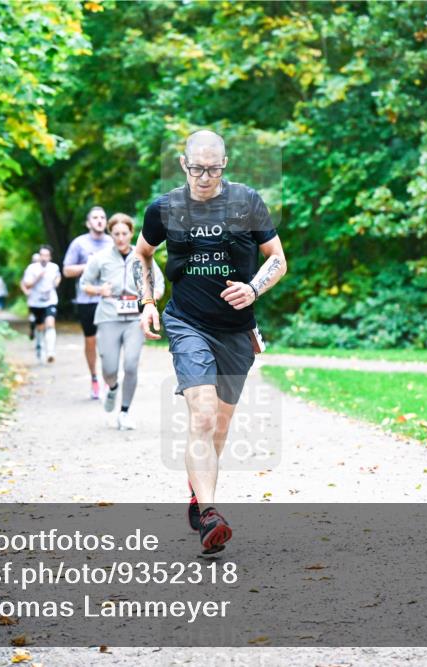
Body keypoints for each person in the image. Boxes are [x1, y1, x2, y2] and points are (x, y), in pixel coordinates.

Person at [134, 130, 286, 555]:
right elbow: (142, 254)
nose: (204, 176)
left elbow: (277, 258)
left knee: (219, 426)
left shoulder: (247, 202)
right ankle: (210, 515)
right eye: (197, 168)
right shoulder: (164, 208)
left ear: (225, 164)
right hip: (187, 323)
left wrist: (254, 289)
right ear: (184, 164)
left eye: (213, 168)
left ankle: (198, 496)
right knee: (201, 416)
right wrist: (147, 301)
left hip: (237, 331)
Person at [79, 213, 165, 431]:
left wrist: (150, 297)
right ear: (111, 234)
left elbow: (160, 284)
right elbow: (84, 284)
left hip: (135, 319)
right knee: (108, 367)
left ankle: (124, 412)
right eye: (116, 234)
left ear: (131, 233)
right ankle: (113, 387)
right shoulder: (100, 257)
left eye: (124, 233)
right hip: (109, 316)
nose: (120, 238)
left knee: (131, 365)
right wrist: (99, 290)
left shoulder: (143, 256)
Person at [63, 206, 113, 399]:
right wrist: (89, 265)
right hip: (87, 299)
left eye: (102, 217)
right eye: (95, 217)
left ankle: (110, 379)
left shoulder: (112, 241)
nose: (99, 220)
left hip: (110, 298)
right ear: (88, 223)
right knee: (91, 341)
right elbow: (67, 271)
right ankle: (94, 378)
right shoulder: (79, 244)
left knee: (110, 340)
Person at [22, 245, 61, 363]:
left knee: (50, 324)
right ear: (39, 256)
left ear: (50, 257)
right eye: (42, 255)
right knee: (39, 327)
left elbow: (58, 277)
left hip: (50, 301)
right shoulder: (31, 268)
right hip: (35, 302)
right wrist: (37, 278)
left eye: (46, 255)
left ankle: (50, 352)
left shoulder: (54, 267)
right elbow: (27, 285)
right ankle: (40, 348)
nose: (44, 258)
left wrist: (56, 283)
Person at [19, 253, 40, 340]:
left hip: (44, 298)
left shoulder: (46, 268)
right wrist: (26, 291)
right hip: (32, 297)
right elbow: (22, 282)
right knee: (32, 315)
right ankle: (32, 329)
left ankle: (39, 335)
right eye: (34, 260)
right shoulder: (29, 270)